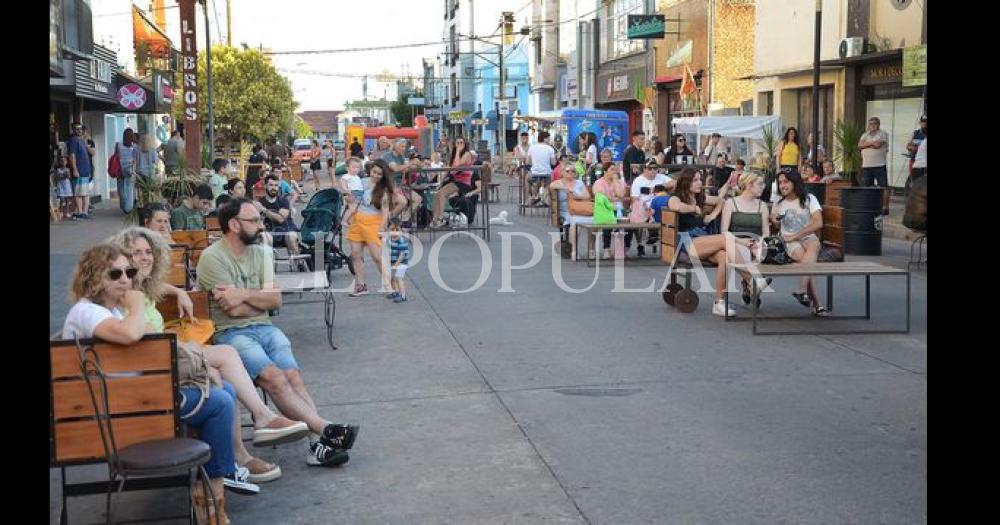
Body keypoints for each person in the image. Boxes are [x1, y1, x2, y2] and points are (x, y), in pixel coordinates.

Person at [61, 243, 250, 521]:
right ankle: (212, 498)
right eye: (115, 274)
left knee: (225, 389)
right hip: (113, 414)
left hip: (131, 401)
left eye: (129, 272)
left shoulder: (111, 309)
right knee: (220, 401)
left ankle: (214, 481)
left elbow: (154, 341)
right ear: (93, 278)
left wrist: (200, 363)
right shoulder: (88, 312)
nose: (125, 279)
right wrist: (136, 306)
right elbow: (128, 335)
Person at [111, 227, 310, 484]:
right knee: (224, 357)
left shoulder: (141, 289)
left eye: (149, 251)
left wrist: (178, 292)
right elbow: (150, 339)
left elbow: (155, 292)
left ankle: (237, 458)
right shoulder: (129, 296)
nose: (145, 257)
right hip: (154, 377)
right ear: (122, 258)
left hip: (160, 366)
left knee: (218, 374)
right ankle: (256, 426)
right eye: (136, 253)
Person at [197, 199, 361, 467]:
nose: (262, 226)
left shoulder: (262, 252)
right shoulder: (212, 257)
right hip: (231, 334)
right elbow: (231, 311)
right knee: (274, 378)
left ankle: (316, 445)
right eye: (254, 221)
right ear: (234, 224)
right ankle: (326, 430)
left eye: (260, 220)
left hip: (265, 327)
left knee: (293, 377)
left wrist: (243, 295)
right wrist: (255, 299)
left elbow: (275, 302)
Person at [666, 167, 735, 317]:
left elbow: (721, 201)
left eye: (700, 180)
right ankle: (750, 280)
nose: (699, 183)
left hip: (703, 240)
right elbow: (675, 206)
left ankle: (719, 303)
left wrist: (712, 216)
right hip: (686, 242)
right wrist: (694, 208)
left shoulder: (700, 198)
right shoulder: (676, 197)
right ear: (686, 182)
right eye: (695, 180)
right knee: (727, 239)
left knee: (724, 256)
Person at [770, 169, 829, 316]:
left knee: (813, 246)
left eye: (786, 182)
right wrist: (774, 220)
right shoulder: (779, 203)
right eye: (780, 183)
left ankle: (801, 290)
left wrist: (796, 235)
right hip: (789, 243)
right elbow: (776, 225)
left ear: (795, 182)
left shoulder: (809, 199)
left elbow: (818, 223)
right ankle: (817, 304)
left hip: (806, 237)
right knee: (807, 260)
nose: (782, 185)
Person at [720, 171, 772, 307]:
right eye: (760, 184)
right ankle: (753, 284)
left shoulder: (762, 206)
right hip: (736, 241)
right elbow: (724, 231)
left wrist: (761, 242)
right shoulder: (731, 203)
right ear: (749, 185)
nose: (763, 187)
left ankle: (749, 285)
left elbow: (766, 232)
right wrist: (741, 241)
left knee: (761, 251)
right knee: (742, 250)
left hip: (755, 242)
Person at [346, 159, 394, 297]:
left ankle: (388, 285)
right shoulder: (362, 182)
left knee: (377, 256)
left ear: (384, 175)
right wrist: (349, 200)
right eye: (374, 172)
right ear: (370, 170)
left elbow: (385, 213)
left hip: (374, 223)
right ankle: (360, 285)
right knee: (355, 254)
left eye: (380, 174)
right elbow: (353, 199)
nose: (376, 175)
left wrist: (381, 229)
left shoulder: (384, 190)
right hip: (358, 220)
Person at [431, 137, 475, 227]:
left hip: (464, 182)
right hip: (456, 180)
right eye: (457, 142)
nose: (459, 144)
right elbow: (448, 169)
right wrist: (441, 183)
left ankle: (440, 218)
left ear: (465, 144)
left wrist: (458, 151)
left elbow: (458, 165)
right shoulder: (454, 155)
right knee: (438, 194)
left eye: (461, 142)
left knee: (442, 194)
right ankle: (435, 219)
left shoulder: (467, 154)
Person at [256, 174, 301, 259]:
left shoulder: (283, 201)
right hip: (270, 232)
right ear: (265, 186)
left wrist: (264, 210)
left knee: (291, 236)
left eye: (276, 185)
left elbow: (280, 219)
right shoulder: (260, 202)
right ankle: (268, 266)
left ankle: (299, 263)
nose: (274, 188)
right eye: (271, 185)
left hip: (287, 230)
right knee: (264, 236)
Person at [590, 162, 627, 259]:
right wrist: (614, 199)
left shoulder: (618, 181)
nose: (614, 172)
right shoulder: (599, 182)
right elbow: (601, 196)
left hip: (617, 208)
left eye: (615, 169)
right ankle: (606, 249)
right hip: (603, 209)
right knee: (607, 221)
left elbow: (621, 195)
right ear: (605, 171)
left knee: (622, 221)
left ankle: (620, 250)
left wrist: (615, 181)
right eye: (612, 169)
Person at [858, 116, 891, 215]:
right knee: (867, 187)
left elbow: (878, 145)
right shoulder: (865, 134)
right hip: (867, 165)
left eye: (874, 124)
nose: (872, 125)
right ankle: (869, 205)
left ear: (878, 124)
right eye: (870, 124)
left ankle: (885, 207)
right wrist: (872, 143)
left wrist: (866, 144)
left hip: (879, 164)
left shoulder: (883, 133)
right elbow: (859, 145)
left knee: (883, 187)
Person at [66, 122, 94, 220]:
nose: (79, 130)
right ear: (73, 130)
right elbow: (72, 156)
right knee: (78, 194)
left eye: (80, 128)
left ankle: (85, 212)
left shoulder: (81, 140)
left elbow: (91, 153)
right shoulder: (73, 140)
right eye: (76, 129)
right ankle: (80, 212)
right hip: (79, 171)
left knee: (85, 193)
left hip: (85, 171)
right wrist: (74, 169)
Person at [527, 131, 557, 207]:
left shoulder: (532, 147)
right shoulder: (550, 149)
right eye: (549, 139)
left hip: (534, 173)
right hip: (547, 173)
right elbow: (553, 163)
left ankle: (533, 196)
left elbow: (528, 162)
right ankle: (544, 199)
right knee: (548, 184)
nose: (550, 140)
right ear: (545, 139)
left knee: (528, 180)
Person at [114, 128, 140, 214]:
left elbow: (115, 156)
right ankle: (128, 207)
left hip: (120, 167)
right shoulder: (135, 145)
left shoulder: (118, 144)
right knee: (129, 187)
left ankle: (123, 205)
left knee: (121, 187)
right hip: (130, 167)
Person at [386, 219, 410, 303]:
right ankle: (396, 292)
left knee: (398, 278)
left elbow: (402, 255)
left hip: (402, 262)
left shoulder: (401, 240)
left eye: (397, 230)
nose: (395, 232)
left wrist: (396, 264)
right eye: (392, 229)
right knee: (393, 279)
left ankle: (403, 296)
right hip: (394, 262)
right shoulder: (390, 239)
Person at [340, 157, 365, 226]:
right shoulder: (347, 176)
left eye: (358, 168)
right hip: (352, 193)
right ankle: (343, 220)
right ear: (347, 168)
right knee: (352, 209)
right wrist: (346, 190)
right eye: (353, 167)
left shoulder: (356, 176)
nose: (356, 169)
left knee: (355, 210)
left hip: (359, 194)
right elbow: (343, 184)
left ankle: (348, 220)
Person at [53, 155, 75, 220]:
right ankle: (61, 212)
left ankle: (67, 212)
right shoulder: (58, 170)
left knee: (67, 200)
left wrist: (66, 176)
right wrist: (62, 176)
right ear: (59, 162)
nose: (63, 162)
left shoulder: (68, 169)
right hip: (61, 186)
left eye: (64, 161)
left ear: (66, 162)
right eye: (61, 161)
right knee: (62, 200)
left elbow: (69, 177)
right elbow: (56, 178)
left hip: (67, 186)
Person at [906, 115, 927, 180]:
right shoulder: (915, 133)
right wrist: (914, 147)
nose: (925, 123)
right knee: (914, 180)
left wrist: (917, 147)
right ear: (920, 122)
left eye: (926, 122)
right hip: (914, 160)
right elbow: (908, 145)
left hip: (924, 163)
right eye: (923, 122)